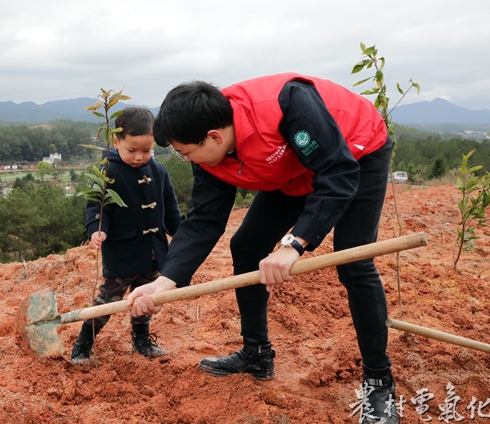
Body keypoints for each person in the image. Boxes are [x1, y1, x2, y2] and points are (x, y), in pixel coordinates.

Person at [127, 73, 398, 423]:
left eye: (186, 154)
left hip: (356, 153)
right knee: (247, 245)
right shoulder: (210, 151)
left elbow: (337, 172)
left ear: (214, 136)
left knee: (355, 262)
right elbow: (205, 219)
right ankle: (256, 353)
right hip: (291, 170)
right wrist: (166, 281)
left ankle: (379, 382)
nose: (188, 161)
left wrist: (293, 244)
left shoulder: (289, 104)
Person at [71, 107, 183, 365]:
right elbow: (97, 208)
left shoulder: (159, 171)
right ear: (116, 141)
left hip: (154, 252)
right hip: (123, 252)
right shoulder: (107, 171)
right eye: (132, 151)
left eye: (147, 151)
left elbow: (171, 209)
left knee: (146, 300)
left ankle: (141, 340)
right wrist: (97, 229)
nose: (139, 157)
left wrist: (178, 232)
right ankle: (83, 344)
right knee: (107, 300)